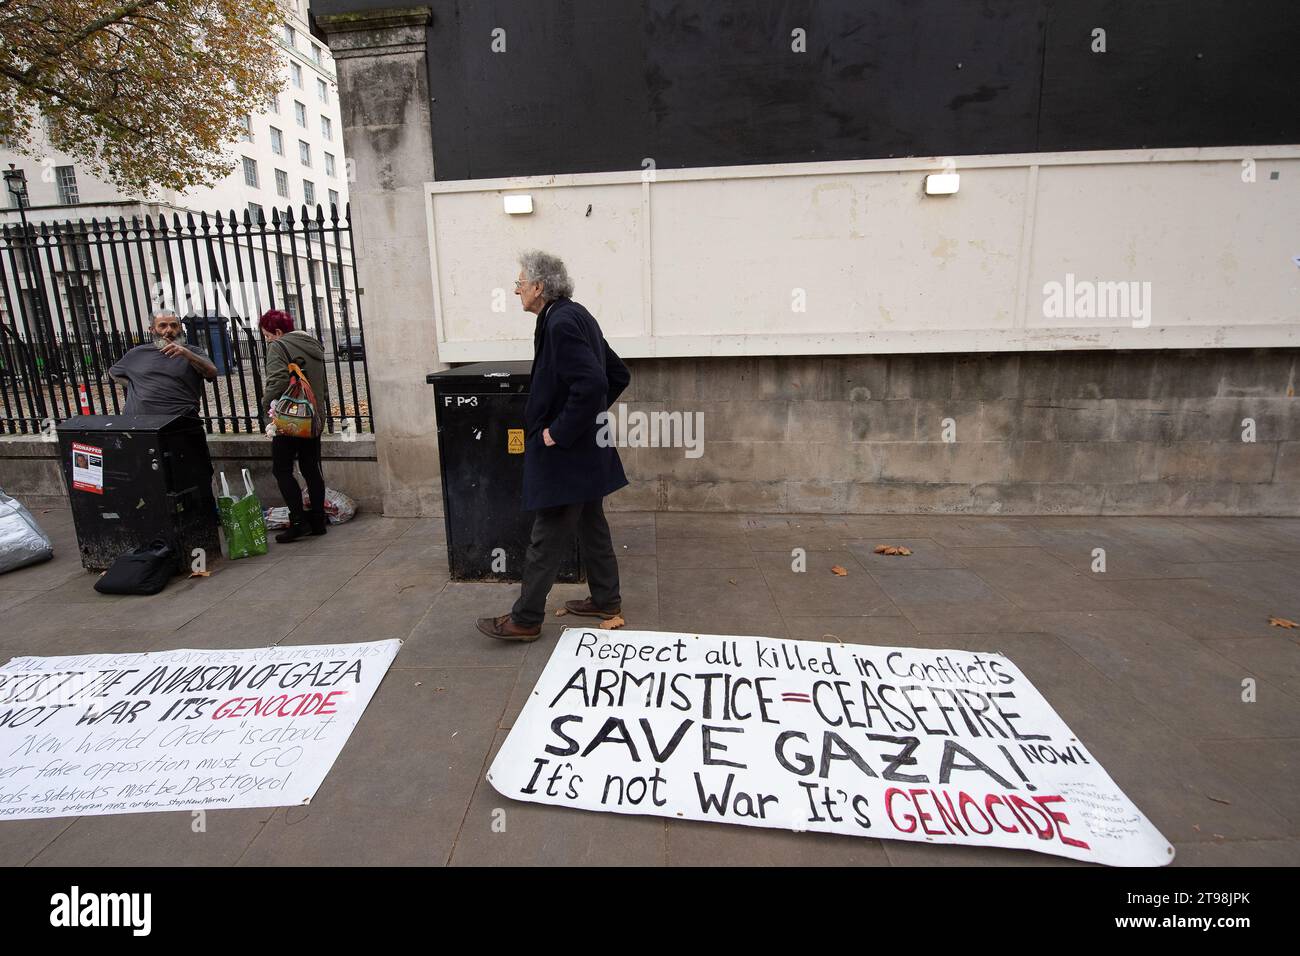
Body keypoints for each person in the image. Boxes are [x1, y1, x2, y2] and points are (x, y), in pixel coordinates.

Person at [477, 251, 630, 642]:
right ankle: (606, 600)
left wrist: (561, 430)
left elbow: (595, 383)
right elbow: (617, 374)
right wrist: (589, 418)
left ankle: (525, 620)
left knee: (546, 537)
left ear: (539, 287)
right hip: (586, 452)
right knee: (592, 524)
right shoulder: (574, 315)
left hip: (567, 455)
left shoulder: (560, 322)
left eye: (520, 282)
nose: (516, 290)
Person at [258, 309, 329, 543]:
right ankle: (318, 520)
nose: (267, 339)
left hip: (291, 417)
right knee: (311, 467)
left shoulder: (279, 346)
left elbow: (277, 380)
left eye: (268, 335)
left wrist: (266, 403)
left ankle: (298, 522)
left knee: (282, 469)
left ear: (278, 332)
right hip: (313, 415)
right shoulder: (313, 345)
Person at [108, 309, 217, 417]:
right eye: (163, 326)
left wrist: (187, 354)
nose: (169, 330)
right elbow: (113, 372)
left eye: (174, 325)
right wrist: (135, 384)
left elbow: (211, 372)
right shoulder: (137, 353)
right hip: (138, 422)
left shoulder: (193, 351)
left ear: (179, 328)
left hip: (180, 421)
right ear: (152, 330)